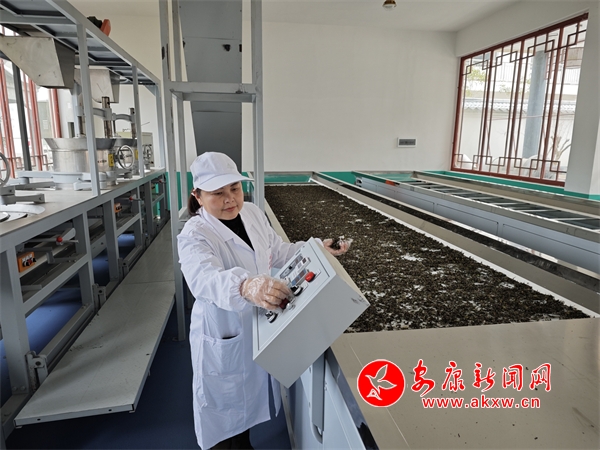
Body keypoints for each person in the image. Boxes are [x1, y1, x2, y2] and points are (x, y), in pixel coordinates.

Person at [177, 152, 350, 450]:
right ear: (198, 196)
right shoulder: (195, 234)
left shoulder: (253, 214)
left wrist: (317, 248)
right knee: (225, 417)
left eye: (234, 188)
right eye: (218, 193)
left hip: (257, 322)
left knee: (245, 410)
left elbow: (277, 252)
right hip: (225, 330)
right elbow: (203, 279)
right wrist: (245, 285)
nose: (230, 199)